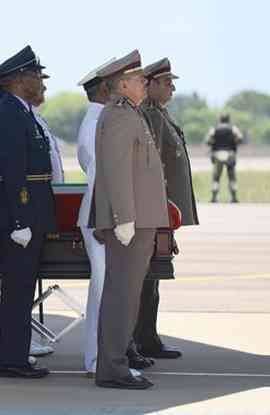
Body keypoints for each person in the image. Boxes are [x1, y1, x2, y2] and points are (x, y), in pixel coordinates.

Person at [89, 51, 169, 390]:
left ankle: (116, 363)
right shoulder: (120, 116)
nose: (144, 83)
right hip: (130, 223)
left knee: (127, 294)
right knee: (122, 295)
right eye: (139, 79)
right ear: (123, 84)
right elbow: (117, 170)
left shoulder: (130, 114)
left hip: (138, 220)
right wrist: (123, 218)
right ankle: (113, 368)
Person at [77, 59, 154, 377]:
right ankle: (99, 359)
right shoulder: (104, 119)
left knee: (113, 289)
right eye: (139, 80)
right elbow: (103, 176)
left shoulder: (110, 116)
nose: (144, 85)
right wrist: (107, 218)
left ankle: (108, 356)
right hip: (106, 217)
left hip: (108, 214)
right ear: (114, 86)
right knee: (107, 291)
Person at [0, 46, 56, 379]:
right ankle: (11, 361)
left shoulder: (22, 111)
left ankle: (17, 355)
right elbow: (13, 171)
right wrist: (20, 220)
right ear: (18, 80)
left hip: (32, 213)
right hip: (22, 216)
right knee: (17, 290)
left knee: (23, 288)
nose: (41, 83)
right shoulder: (9, 113)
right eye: (36, 77)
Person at [137, 58, 199, 359]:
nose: (172, 87)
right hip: (157, 212)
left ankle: (147, 338)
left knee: (154, 279)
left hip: (163, 213)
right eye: (166, 82)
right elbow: (154, 172)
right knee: (148, 279)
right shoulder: (150, 115)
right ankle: (143, 340)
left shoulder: (160, 114)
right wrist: (162, 219)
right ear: (149, 84)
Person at [205, 113, 244, 203]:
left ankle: (214, 198)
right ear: (228, 119)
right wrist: (234, 142)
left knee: (216, 177)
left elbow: (208, 141)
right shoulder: (233, 129)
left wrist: (214, 143)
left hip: (218, 154)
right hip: (230, 154)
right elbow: (240, 138)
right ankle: (234, 198)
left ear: (220, 119)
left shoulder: (214, 129)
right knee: (232, 177)